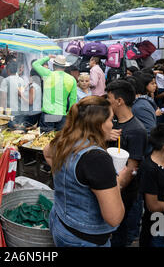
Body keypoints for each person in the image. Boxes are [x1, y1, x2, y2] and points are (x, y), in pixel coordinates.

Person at [43, 96, 125, 247]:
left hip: (60, 223)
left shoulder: (64, 139)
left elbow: (47, 153)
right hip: (84, 239)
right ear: (99, 124)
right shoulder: (97, 159)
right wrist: (118, 182)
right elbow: (114, 217)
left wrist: (67, 177)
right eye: (110, 120)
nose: (112, 124)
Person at [106, 79, 149, 247]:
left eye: (109, 99)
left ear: (119, 101)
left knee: (119, 230)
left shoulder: (137, 131)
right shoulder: (113, 123)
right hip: (110, 185)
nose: (107, 103)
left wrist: (116, 190)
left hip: (123, 191)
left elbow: (132, 168)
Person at [32, 55, 77, 133]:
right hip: (62, 115)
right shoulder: (72, 79)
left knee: (45, 140)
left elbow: (35, 64)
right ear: (65, 67)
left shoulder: (48, 74)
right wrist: (69, 115)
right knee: (60, 141)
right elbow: (73, 100)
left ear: (53, 65)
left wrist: (48, 57)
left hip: (48, 114)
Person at [0, 61, 24, 127]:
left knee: (10, 131)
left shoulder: (6, 81)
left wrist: (2, 112)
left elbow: (3, 98)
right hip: (20, 111)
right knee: (19, 131)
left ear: (8, 70)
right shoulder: (21, 80)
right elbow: (23, 96)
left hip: (9, 112)